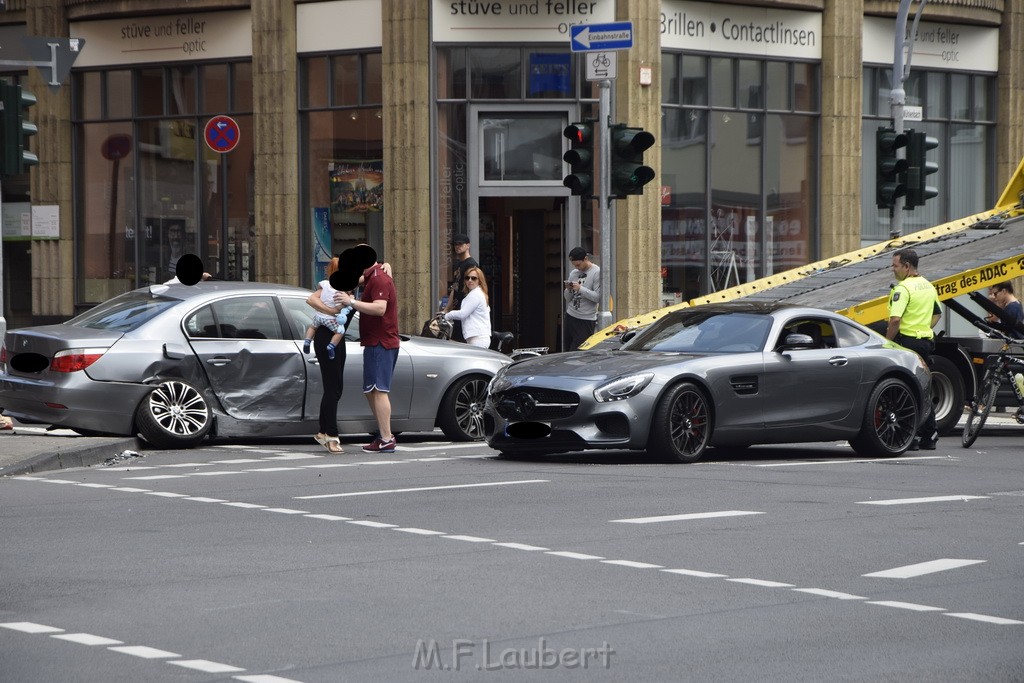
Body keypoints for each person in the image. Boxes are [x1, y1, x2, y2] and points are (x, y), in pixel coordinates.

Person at [339, 260, 400, 453]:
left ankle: (386, 438)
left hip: (381, 342)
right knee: (371, 390)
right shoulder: (373, 275)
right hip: (375, 341)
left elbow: (380, 308)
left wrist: (352, 302)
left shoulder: (379, 278)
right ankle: (384, 435)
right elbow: (358, 279)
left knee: (379, 390)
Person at [886, 248, 940, 451]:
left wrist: (887, 343)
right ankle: (930, 435)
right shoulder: (928, 286)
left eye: (895, 265)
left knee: (904, 390)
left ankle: (912, 436)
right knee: (922, 388)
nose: (893, 269)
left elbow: (895, 320)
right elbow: (937, 315)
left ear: (907, 267)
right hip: (924, 342)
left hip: (906, 344)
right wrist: (923, 328)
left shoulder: (902, 289)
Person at [305, 256, 349, 454]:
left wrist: (385, 265)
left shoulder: (342, 285)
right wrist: (331, 310)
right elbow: (311, 299)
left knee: (335, 387)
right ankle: (331, 436)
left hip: (335, 337)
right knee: (333, 388)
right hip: (328, 336)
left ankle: (323, 432)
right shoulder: (334, 287)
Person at [303, 267, 354, 360]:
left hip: (318, 317)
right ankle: (331, 346)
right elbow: (338, 308)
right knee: (339, 332)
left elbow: (314, 295)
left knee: (312, 327)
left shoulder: (325, 285)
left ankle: (307, 341)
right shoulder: (339, 292)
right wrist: (349, 301)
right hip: (329, 320)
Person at [562, 246, 601, 351]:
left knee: (579, 352)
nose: (577, 268)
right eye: (575, 266)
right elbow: (567, 298)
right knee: (566, 350)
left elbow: (598, 297)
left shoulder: (596, 272)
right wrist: (568, 290)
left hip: (586, 319)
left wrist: (580, 289)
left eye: (578, 265)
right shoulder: (574, 273)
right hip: (570, 315)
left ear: (586, 259)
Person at [442, 233, 478, 343]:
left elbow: (474, 289)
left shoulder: (471, 264)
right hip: (458, 309)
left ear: (468, 245)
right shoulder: (457, 264)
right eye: (455, 244)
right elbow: (455, 287)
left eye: (460, 244)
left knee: (461, 342)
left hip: (467, 311)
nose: (457, 246)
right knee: (455, 340)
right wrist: (446, 309)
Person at [444, 266, 492, 347]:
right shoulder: (479, 293)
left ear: (479, 281)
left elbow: (463, 314)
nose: (470, 280)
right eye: (467, 278)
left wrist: (447, 315)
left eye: (474, 278)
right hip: (478, 337)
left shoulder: (475, 295)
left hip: (478, 338)